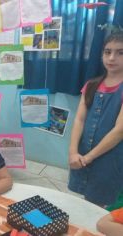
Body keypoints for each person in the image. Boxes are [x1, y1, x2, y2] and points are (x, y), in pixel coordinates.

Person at [68, 32, 123, 206]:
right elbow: (79, 120)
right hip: (83, 152)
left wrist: (89, 157)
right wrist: (73, 152)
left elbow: (119, 130)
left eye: (120, 52)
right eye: (107, 52)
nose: (112, 57)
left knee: (99, 202)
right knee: (86, 199)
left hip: (109, 157)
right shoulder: (92, 85)